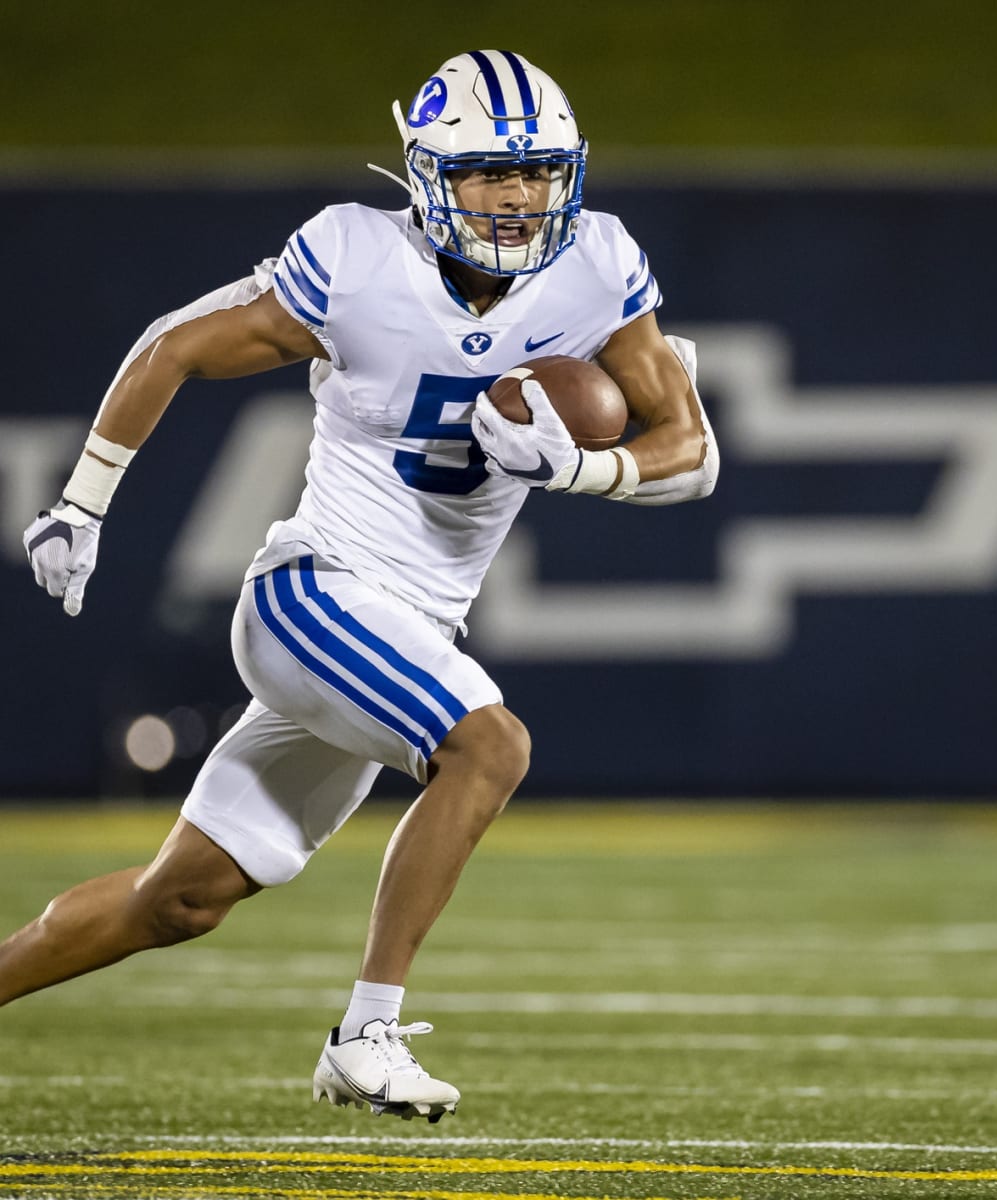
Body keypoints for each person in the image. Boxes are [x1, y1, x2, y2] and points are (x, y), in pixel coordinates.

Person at [5, 49, 718, 1122]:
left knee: (179, 901)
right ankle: (366, 1030)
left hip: (411, 627)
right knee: (492, 743)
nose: (519, 196)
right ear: (429, 174)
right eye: (488, 171)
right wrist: (84, 502)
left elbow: (692, 450)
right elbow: (173, 349)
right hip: (315, 593)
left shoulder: (596, 266)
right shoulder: (353, 258)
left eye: (536, 170)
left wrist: (583, 470)